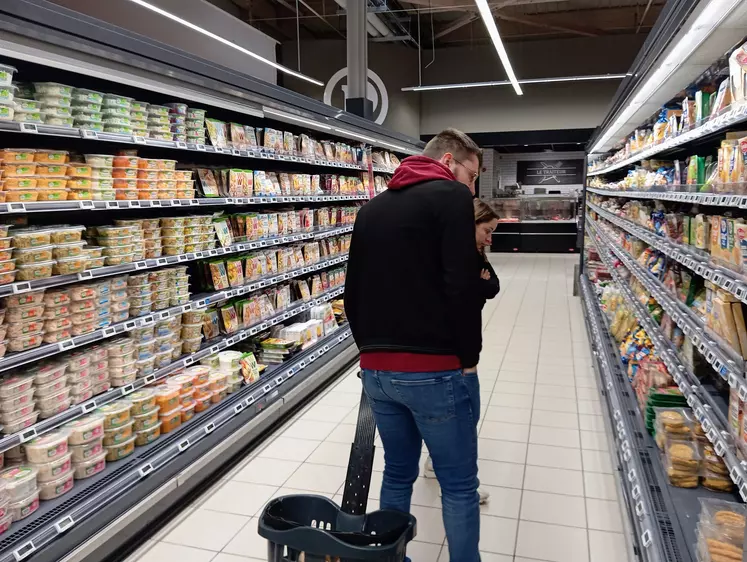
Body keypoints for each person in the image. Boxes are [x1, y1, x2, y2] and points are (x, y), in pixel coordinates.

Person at [344, 128, 483, 562]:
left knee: (398, 473)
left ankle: (390, 558)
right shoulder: (452, 198)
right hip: (434, 369)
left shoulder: (371, 210)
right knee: (459, 485)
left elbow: (351, 293)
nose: (472, 187)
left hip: (377, 372)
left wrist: (369, 352)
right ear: (447, 161)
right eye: (472, 175)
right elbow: (460, 285)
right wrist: (468, 358)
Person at [423, 198, 500, 502]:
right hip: (456, 352)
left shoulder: (476, 254)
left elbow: (492, 286)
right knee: (464, 420)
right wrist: (477, 285)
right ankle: (462, 487)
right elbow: (464, 297)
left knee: (455, 418)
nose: (490, 239)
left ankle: (435, 465)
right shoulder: (457, 258)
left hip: (465, 349)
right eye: (487, 230)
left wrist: (479, 285)